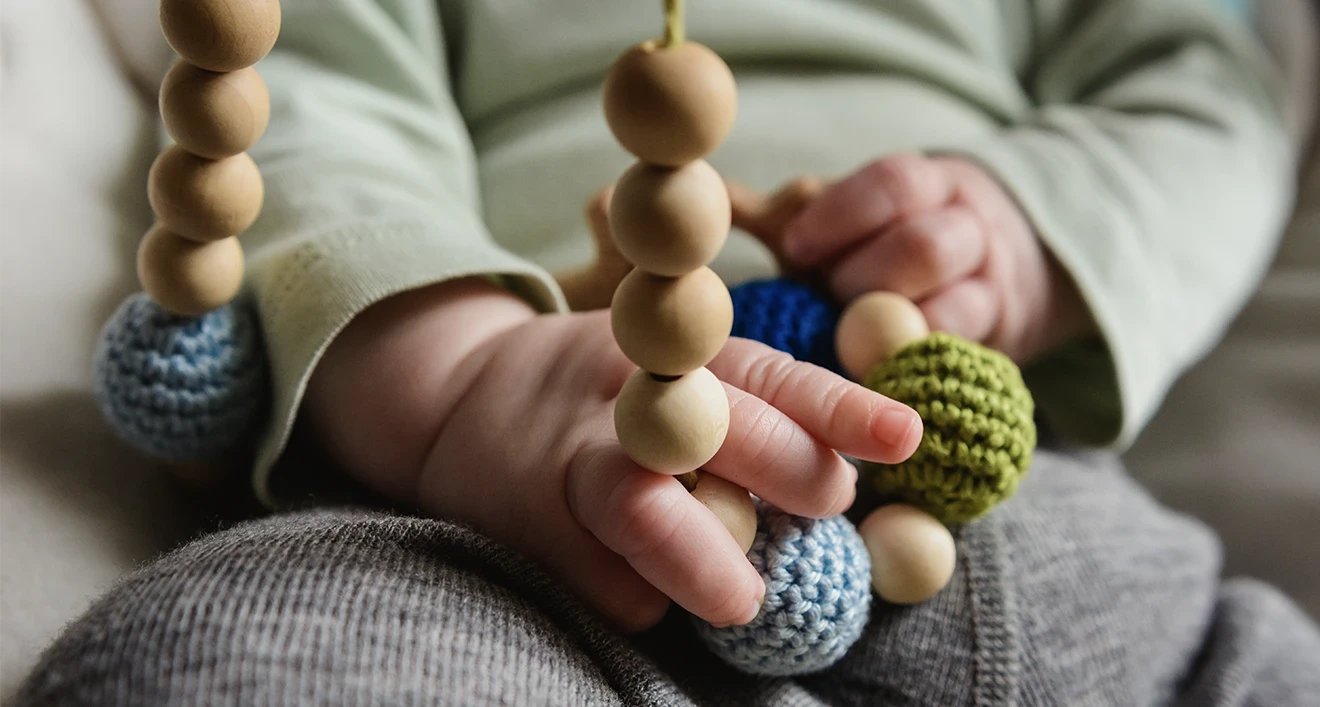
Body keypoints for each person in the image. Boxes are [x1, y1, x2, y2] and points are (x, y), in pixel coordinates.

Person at [16, 0, 1320, 704]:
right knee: (246, 649)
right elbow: (310, 101)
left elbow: (1203, 86)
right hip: (515, 505)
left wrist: (1028, 228)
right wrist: (465, 376)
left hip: (969, 483)